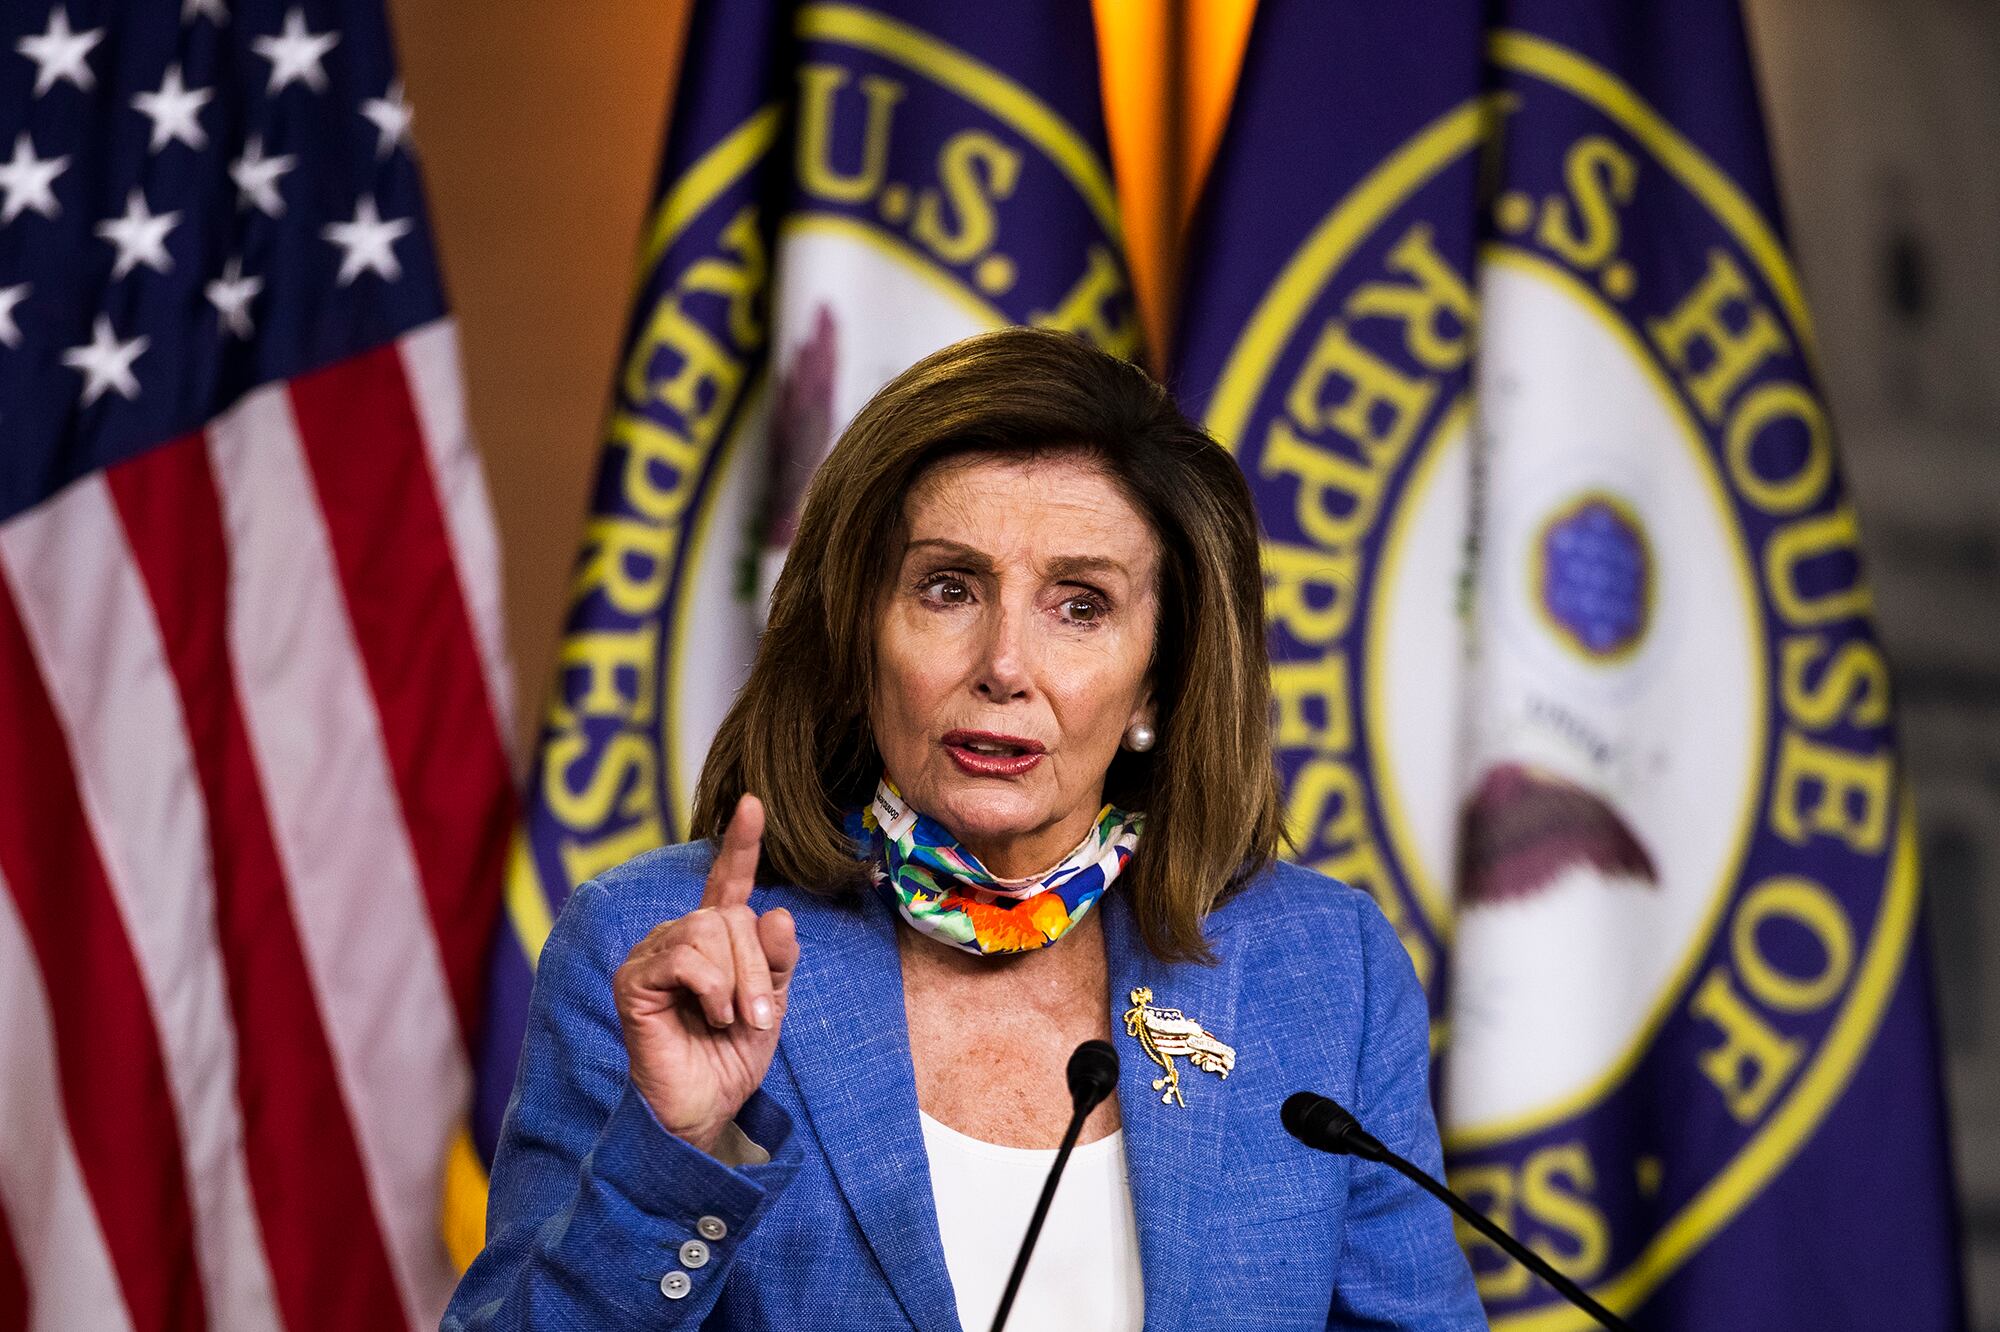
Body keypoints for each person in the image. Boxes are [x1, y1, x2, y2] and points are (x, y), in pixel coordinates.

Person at [444, 329, 1483, 1330]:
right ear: (860, 636)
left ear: (1154, 684)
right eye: (948, 588)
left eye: (1079, 605)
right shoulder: (651, 949)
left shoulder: (1320, 970)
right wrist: (673, 1151)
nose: (1003, 664)